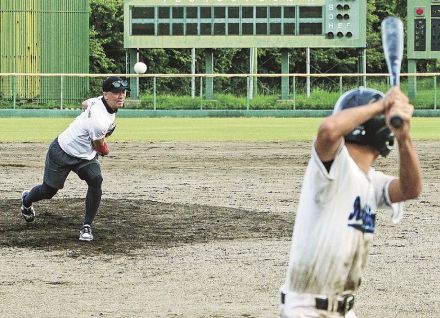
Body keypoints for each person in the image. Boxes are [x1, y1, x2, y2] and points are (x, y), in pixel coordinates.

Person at [279, 86, 422, 318]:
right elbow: (327, 130)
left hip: (344, 309)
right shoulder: (333, 167)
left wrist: (404, 138)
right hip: (306, 309)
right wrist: (381, 105)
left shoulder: (371, 182)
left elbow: (411, 189)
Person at [20, 76, 129, 241]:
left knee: (96, 179)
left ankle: (87, 226)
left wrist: (88, 116)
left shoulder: (99, 101)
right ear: (105, 94)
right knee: (49, 190)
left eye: (123, 91)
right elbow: (100, 147)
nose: (121, 95)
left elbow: (85, 103)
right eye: (116, 92)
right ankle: (27, 200)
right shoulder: (99, 121)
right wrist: (106, 147)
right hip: (62, 151)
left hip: (84, 157)